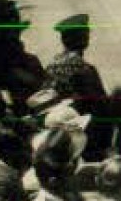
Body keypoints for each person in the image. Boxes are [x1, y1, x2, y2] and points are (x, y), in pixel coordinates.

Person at [44, 13, 111, 160]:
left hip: (60, 133)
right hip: (85, 134)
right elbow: (101, 106)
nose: (88, 35)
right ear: (81, 38)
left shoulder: (53, 65)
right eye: (85, 32)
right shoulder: (84, 69)